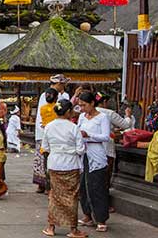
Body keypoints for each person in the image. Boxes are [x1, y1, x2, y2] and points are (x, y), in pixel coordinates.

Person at [41, 99, 87, 238]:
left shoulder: (49, 126)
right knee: (72, 197)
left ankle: (51, 227)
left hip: (55, 164)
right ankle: (73, 229)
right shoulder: (73, 127)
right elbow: (80, 150)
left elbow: (46, 147)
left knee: (54, 195)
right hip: (71, 165)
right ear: (68, 112)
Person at [77, 91, 111, 232]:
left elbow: (105, 136)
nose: (82, 108)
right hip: (84, 152)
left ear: (92, 103)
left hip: (96, 152)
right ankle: (87, 215)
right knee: (84, 186)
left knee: (97, 186)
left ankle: (101, 218)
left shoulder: (102, 117)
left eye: (84, 105)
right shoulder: (82, 117)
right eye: (80, 106)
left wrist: (89, 135)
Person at [35, 87, 60, 193]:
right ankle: (53, 187)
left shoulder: (43, 108)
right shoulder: (58, 107)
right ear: (57, 97)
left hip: (46, 136)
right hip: (56, 137)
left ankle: (47, 187)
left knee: (46, 163)